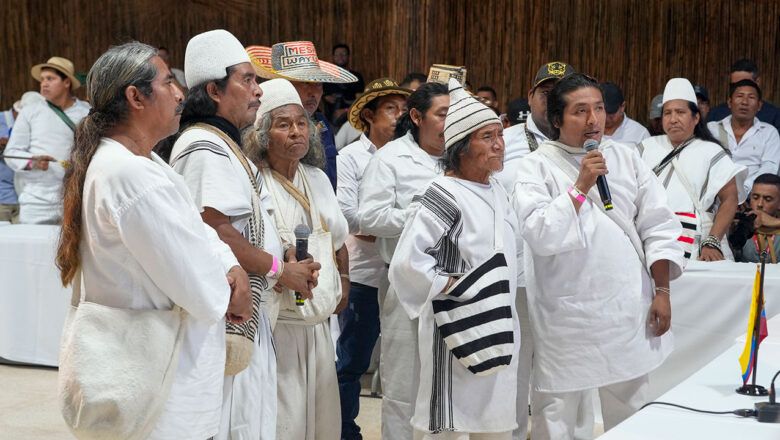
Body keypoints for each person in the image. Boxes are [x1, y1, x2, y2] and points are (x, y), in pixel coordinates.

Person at [54, 41, 252, 439]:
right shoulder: (129, 174)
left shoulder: (142, 163)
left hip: (165, 372)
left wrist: (232, 264)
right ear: (135, 97)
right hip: (158, 387)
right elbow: (198, 286)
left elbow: (197, 231)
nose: (180, 94)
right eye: (167, 83)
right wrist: (231, 288)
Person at [513, 73, 685, 439]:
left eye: (599, 108)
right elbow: (540, 233)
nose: (593, 120)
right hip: (566, 313)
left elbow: (658, 225)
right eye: (580, 111)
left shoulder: (626, 158)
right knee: (557, 410)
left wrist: (663, 291)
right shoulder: (535, 166)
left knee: (631, 405)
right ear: (557, 119)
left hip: (625, 305)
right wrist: (580, 187)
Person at [168, 29, 319, 440]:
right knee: (231, 425)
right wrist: (280, 270)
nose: (258, 90)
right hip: (224, 320)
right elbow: (215, 232)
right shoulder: (204, 146)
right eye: (247, 79)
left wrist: (283, 256)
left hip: (249, 313)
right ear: (214, 90)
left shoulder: (225, 145)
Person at [390, 78, 521, 439]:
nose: (499, 144)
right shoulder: (443, 193)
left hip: (499, 325)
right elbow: (407, 262)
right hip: (455, 331)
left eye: (500, 134)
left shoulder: (497, 189)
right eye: (487, 137)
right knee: (449, 427)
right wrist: (451, 285)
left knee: (495, 426)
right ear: (461, 146)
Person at [245, 77, 349, 440]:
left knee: (323, 423)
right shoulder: (254, 181)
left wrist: (344, 282)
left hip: (318, 323)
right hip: (278, 325)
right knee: (284, 422)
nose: (296, 132)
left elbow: (338, 239)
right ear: (262, 134)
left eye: (302, 123)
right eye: (283, 124)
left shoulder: (317, 177)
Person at [357, 81, 449, 440]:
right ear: (417, 116)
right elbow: (369, 217)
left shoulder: (459, 156)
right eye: (442, 114)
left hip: (453, 284)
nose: (449, 122)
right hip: (405, 282)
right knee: (404, 382)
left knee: (444, 385)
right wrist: (416, 216)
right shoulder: (391, 158)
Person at [336, 77, 410, 440]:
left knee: (401, 362)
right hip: (364, 272)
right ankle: (345, 431)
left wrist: (382, 224)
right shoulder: (350, 157)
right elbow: (348, 215)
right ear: (369, 115)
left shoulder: (410, 155)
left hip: (404, 274)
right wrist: (394, 226)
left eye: (402, 109)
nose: (398, 116)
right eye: (390, 109)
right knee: (352, 361)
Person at [641, 78, 746, 261]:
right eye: (667, 113)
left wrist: (712, 242)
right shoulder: (645, 148)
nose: (673, 119)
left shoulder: (712, 151)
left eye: (680, 112)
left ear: (696, 118)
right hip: (651, 238)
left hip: (700, 244)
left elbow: (730, 198)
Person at [249, 41, 358, 191]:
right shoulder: (259, 125)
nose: (313, 92)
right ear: (283, 84)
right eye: (305, 82)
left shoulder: (323, 124)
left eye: (318, 84)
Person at [5, 56, 90, 224]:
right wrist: (33, 161)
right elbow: (11, 152)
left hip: (75, 198)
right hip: (36, 200)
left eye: (50, 79)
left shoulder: (85, 112)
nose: (44, 84)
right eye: (42, 79)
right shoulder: (30, 111)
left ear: (67, 82)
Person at [707, 79, 780, 196]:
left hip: (754, 195)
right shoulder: (712, 129)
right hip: (714, 193)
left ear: (759, 105)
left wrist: (744, 191)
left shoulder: (769, 133)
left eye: (751, 97)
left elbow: (769, 168)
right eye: (740, 96)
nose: (744, 102)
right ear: (729, 102)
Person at [707, 59, 780, 130]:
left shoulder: (775, 116)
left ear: (757, 82)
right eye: (734, 85)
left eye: (745, 83)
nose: (739, 88)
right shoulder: (715, 114)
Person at [730, 173, 780, 263]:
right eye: (755, 197)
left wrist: (775, 222)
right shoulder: (739, 224)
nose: (760, 204)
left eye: (768, 199)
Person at [323, 43, 365, 122]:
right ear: (333, 57)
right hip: (330, 120)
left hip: (352, 119)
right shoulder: (326, 77)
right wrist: (326, 97)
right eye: (337, 54)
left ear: (348, 56)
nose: (340, 57)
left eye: (343, 54)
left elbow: (361, 101)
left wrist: (345, 111)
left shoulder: (356, 77)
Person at [600, 82, 650, 148]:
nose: (606, 118)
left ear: (622, 107)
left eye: (611, 113)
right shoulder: (589, 130)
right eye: (601, 111)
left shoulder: (640, 134)